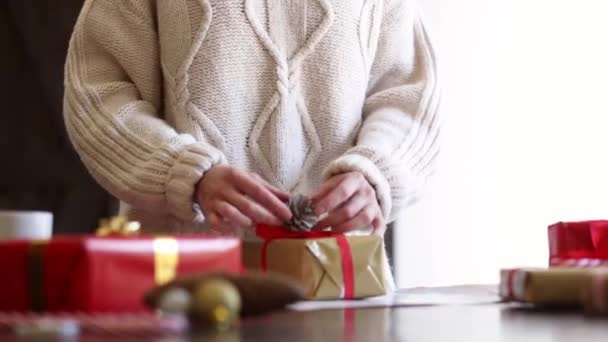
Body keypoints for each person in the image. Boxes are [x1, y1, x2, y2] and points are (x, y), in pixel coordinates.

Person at [63, 0, 440, 239]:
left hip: (338, 283)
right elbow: (98, 93)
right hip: (183, 289)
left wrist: (374, 176)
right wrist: (185, 173)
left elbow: (408, 95)